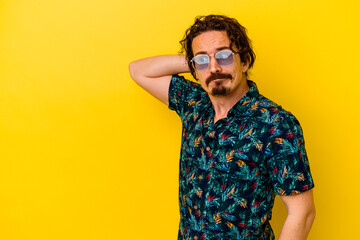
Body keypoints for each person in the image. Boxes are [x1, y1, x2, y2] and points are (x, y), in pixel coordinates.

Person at [129, 14, 315, 240]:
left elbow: (302, 213)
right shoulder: (193, 104)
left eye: (224, 56)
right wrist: (199, 60)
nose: (215, 68)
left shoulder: (275, 123)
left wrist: (206, 59)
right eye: (202, 61)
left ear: (244, 62)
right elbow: (138, 70)